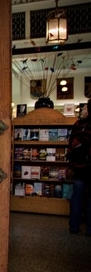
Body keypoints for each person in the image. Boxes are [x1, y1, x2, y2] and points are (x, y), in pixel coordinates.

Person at [68, 98, 91, 235]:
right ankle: (88, 229)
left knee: (77, 197)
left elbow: (70, 145)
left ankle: (74, 227)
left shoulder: (78, 125)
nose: (82, 110)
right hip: (85, 167)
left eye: (84, 108)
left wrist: (72, 163)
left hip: (79, 167)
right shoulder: (79, 125)